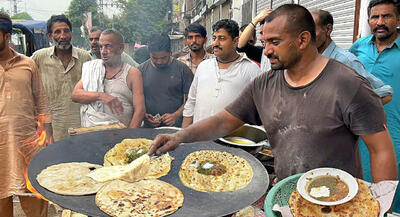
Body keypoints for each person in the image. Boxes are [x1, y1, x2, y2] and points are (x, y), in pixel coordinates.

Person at [149, 4, 398, 185]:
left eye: (274, 42)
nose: (266, 51)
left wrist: (380, 207)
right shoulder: (264, 84)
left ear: (302, 39)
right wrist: (180, 136)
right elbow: (224, 121)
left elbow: (381, 150)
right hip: (286, 193)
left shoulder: (347, 83)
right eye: (264, 42)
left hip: (339, 202)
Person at [0, 12, 53, 217]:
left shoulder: (28, 64)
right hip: (0, 148)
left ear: (7, 37)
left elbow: (41, 100)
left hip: (27, 143)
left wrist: (47, 133)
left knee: (35, 200)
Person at [349, 0, 400, 212]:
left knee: (388, 196)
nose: (379, 22)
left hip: (394, 135)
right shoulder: (358, 47)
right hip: (358, 133)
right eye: (374, 17)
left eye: (386, 16)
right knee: (357, 191)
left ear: (398, 19)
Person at [182, 19, 261, 128]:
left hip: (232, 141)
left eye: (222, 38)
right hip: (199, 138)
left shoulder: (251, 69)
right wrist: (183, 135)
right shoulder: (204, 66)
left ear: (235, 41)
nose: (215, 43)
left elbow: (260, 109)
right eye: (214, 38)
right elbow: (191, 102)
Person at [311, 9, 393, 104]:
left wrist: (350, 116)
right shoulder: (310, 60)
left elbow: (385, 93)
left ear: (328, 29)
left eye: (312, 31)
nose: (307, 37)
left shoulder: (345, 61)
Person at [32, 15, 92, 141]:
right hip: (50, 130)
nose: (63, 36)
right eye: (57, 32)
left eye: (66, 31)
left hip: (81, 128)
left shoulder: (85, 58)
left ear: (71, 33)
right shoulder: (39, 58)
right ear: (49, 36)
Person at [72, 29, 145, 128]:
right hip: (94, 135)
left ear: (120, 48)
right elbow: (75, 95)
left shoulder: (132, 73)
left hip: (122, 135)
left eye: (108, 46)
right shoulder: (94, 69)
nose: (103, 51)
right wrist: (101, 96)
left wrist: (129, 137)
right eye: (101, 47)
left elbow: (140, 110)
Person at [138, 34, 193, 128]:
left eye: (163, 58)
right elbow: (135, 100)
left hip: (175, 128)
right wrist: (144, 116)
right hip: (148, 129)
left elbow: (191, 100)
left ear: (170, 52)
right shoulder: (140, 71)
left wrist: (176, 115)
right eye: (154, 58)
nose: (159, 62)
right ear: (149, 53)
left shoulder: (182, 69)